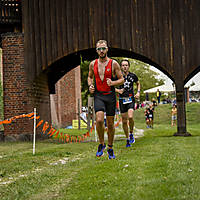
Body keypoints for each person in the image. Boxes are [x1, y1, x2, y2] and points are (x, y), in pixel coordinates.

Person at [88, 40, 124, 159]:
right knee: (98, 120)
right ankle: (101, 144)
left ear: (107, 49)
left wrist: (113, 82)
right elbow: (89, 77)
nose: (101, 51)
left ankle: (110, 147)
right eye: (99, 49)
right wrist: (90, 86)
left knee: (110, 123)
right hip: (99, 95)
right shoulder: (93, 64)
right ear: (96, 51)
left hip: (110, 96)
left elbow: (121, 79)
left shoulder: (114, 64)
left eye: (103, 48)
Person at [115, 59, 140, 147]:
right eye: (123, 65)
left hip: (130, 99)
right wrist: (118, 90)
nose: (125, 67)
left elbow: (138, 83)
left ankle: (131, 133)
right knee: (124, 121)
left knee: (130, 116)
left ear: (129, 66)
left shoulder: (133, 76)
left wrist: (138, 92)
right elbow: (110, 85)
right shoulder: (118, 76)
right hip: (122, 100)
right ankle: (127, 139)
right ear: (121, 67)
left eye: (126, 65)